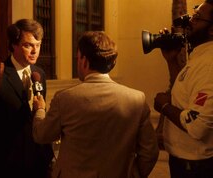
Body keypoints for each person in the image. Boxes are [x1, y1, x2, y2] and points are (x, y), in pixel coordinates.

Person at [32, 31, 159, 178]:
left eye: (78, 58)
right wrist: (133, 174)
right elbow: (150, 152)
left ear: (84, 61)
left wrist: (40, 109)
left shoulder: (65, 98)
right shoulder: (137, 99)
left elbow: (42, 135)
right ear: (113, 63)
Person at [0, 19, 54, 178]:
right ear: (13, 45)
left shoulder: (40, 73)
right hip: (9, 163)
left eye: (38, 45)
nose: (35, 51)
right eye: (28, 45)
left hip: (38, 161)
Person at [154, 0, 213, 177]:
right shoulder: (199, 56)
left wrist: (164, 106)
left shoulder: (209, 64)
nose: (189, 22)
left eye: (196, 18)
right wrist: (171, 60)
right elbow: (184, 94)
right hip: (187, 161)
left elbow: (197, 126)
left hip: (196, 166)